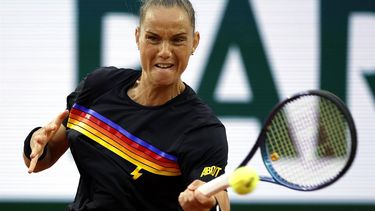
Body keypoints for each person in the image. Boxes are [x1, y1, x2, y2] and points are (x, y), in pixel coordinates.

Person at [23, 0, 229, 210]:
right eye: (153, 38)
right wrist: (35, 143)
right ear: (137, 37)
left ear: (194, 42)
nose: (165, 51)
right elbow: (42, 161)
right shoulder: (99, 86)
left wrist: (205, 203)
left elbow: (218, 194)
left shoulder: (203, 130)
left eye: (178, 40)